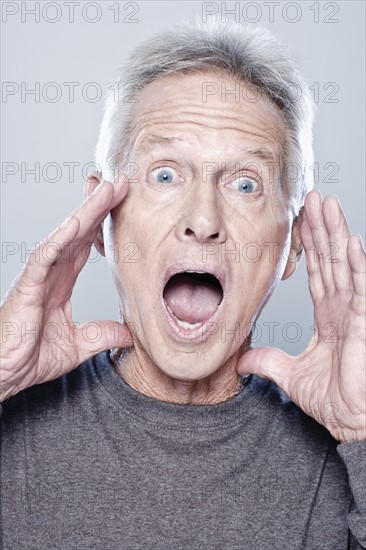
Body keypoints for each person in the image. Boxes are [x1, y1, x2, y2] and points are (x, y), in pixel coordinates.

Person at [1, 20, 365, 550]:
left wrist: (363, 433)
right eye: (166, 174)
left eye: (245, 184)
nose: (202, 218)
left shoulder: (342, 463)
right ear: (101, 219)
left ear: (293, 245)